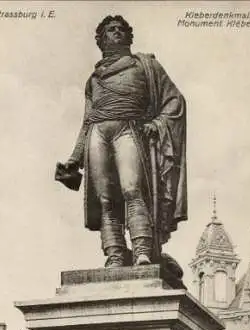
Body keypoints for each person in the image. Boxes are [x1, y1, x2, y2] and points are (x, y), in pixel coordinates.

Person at [57, 15, 187, 267]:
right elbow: (87, 120)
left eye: (120, 29)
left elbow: (175, 100)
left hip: (129, 129)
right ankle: (115, 254)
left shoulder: (146, 66)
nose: (116, 32)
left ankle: (142, 251)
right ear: (101, 39)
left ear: (129, 36)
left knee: (132, 190)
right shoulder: (93, 80)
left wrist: (158, 123)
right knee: (106, 198)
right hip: (97, 133)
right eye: (110, 30)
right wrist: (74, 158)